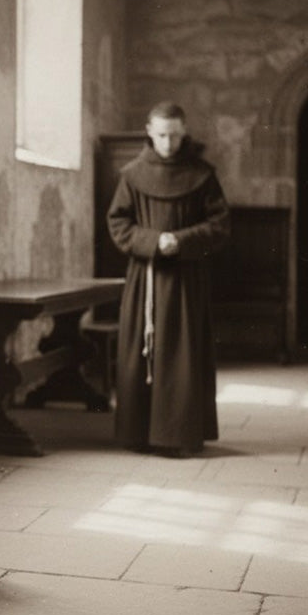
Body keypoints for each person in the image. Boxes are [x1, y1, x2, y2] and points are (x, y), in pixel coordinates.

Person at [107, 101, 230, 456]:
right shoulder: (132, 175)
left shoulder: (203, 174)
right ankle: (138, 435)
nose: (168, 143)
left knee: (182, 355)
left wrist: (182, 241)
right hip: (145, 277)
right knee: (141, 354)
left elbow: (220, 225)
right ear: (149, 131)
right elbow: (118, 223)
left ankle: (178, 437)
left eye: (175, 135)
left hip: (186, 279)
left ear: (184, 132)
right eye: (162, 135)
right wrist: (152, 242)